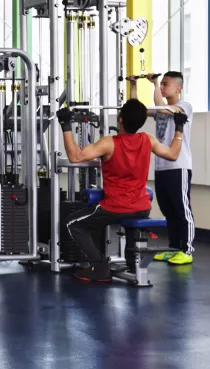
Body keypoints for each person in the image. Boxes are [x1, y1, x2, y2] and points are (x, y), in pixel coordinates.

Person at [60, 99, 187, 281]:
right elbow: (173, 154)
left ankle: (100, 267)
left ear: (120, 119)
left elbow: (75, 156)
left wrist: (65, 126)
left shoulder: (108, 143)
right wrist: (179, 127)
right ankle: (131, 263)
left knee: (73, 223)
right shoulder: (148, 139)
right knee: (130, 219)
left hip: (115, 207)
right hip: (142, 207)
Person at [128, 71, 194, 265]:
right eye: (162, 84)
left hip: (178, 166)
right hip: (162, 167)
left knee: (182, 210)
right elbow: (138, 110)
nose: (163, 87)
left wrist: (154, 83)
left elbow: (162, 108)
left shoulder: (184, 107)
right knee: (169, 210)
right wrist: (133, 86)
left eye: (166, 84)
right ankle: (174, 248)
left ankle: (187, 250)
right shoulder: (163, 109)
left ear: (178, 88)